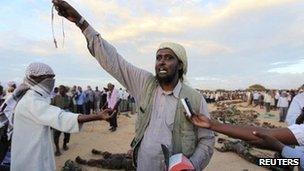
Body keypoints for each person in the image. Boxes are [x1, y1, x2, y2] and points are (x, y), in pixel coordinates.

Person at [52, 1, 215, 170]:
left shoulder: (194, 99)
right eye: (158, 58)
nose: (162, 62)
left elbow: (207, 140)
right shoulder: (145, 84)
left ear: (180, 65)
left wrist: (192, 166)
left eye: (168, 58)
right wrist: (81, 22)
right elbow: (115, 61)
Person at [11, 62, 113, 171]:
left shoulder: (35, 97)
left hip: (36, 147)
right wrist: (97, 116)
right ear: (33, 78)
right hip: (30, 158)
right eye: (48, 78)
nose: (52, 82)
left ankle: (64, 145)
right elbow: (60, 117)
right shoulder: (31, 101)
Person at [189, 113, 304, 170]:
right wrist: (213, 124)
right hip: (293, 156)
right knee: (270, 162)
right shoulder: (233, 144)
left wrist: (281, 148)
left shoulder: (235, 145)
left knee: (264, 162)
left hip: (293, 157)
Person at [51, 85, 74, 156]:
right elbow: (51, 107)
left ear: (65, 90)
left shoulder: (69, 98)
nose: (60, 90)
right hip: (57, 119)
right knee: (56, 135)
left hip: (66, 119)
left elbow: (72, 107)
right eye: (59, 89)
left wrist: (70, 114)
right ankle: (57, 149)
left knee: (67, 134)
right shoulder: (55, 98)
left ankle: (64, 144)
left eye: (62, 89)